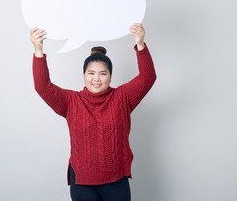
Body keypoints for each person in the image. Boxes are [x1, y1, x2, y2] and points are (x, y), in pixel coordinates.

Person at [30, 23, 156, 201]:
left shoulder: (123, 98)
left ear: (110, 76)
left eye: (103, 74)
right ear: (84, 75)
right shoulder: (71, 101)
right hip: (82, 183)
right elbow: (42, 87)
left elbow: (147, 78)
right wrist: (38, 50)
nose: (96, 79)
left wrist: (140, 44)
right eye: (91, 73)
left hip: (116, 181)